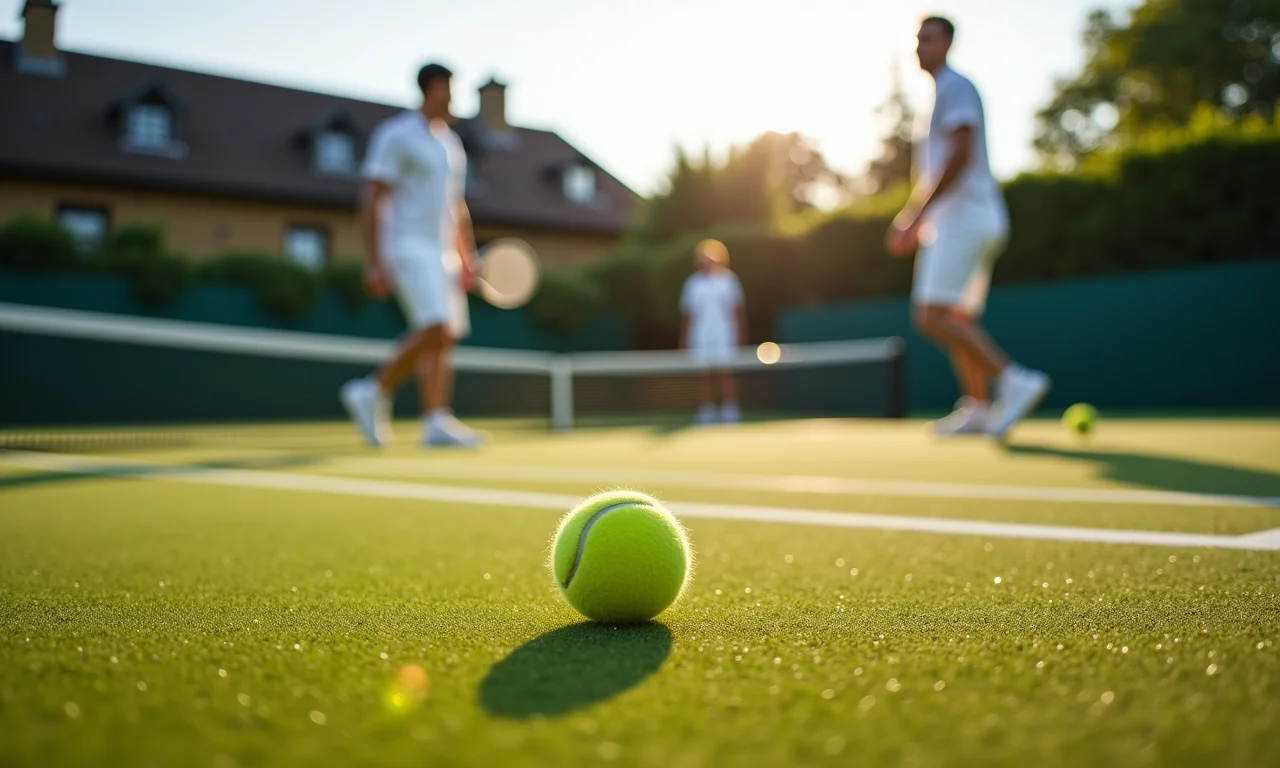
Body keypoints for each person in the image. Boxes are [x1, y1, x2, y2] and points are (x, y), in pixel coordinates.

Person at [886, 16, 1050, 439]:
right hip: (975, 220)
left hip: (964, 220)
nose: (920, 46)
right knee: (956, 316)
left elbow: (960, 154)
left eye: (928, 38)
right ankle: (978, 407)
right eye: (917, 39)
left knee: (930, 315)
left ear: (948, 43)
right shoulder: (942, 93)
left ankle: (1013, 379)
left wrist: (916, 215)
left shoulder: (956, 86)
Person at [340, 63, 483, 448]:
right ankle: (371, 390)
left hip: (443, 252)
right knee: (435, 326)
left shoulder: (451, 145)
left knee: (446, 336)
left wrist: (465, 255)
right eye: (448, 89)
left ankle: (436, 420)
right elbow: (372, 197)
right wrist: (374, 260)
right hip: (405, 245)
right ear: (432, 89)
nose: (452, 97)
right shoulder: (396, 135)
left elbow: (456, 205)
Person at [679, 239, 747, 424]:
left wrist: (740, 335)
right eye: (703, 258)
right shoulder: (692, 284)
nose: (707, 262)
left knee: (726, 372)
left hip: (725, 335)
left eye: (711, 258)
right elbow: (688, 314)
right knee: (704, 374)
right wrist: (684, 339)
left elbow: (737, 310)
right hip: (700, 336)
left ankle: (730, 411)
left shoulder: (729, 280)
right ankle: (707, 411)